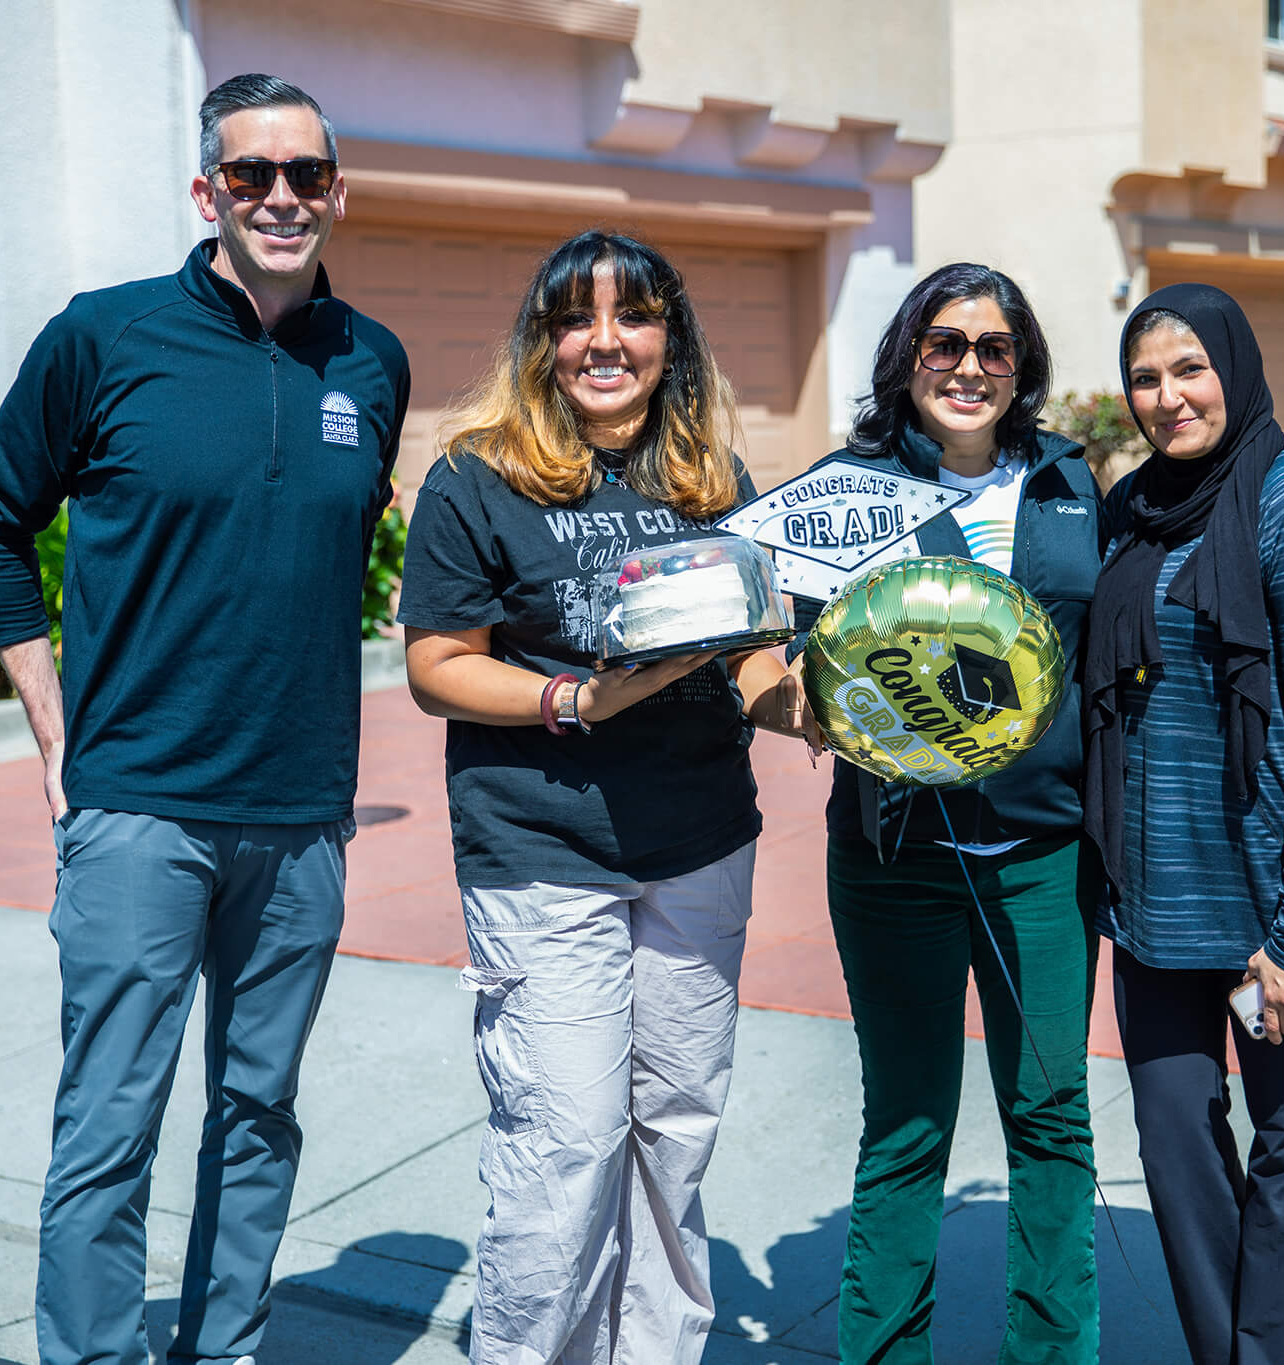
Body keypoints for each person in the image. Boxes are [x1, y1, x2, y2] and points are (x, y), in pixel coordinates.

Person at [0, 74, 409, 1365]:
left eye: (306, 175)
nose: (281, 197)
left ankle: (224, 1348)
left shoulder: (370, 359)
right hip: (138, 807)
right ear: (206, 190)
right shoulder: (103, 337)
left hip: (302, 813)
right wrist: (53, 728)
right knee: (110, 1123)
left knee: (260, 1112)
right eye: (252, 174)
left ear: (337, 190)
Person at [395, 229, 811, 1364]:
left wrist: (816, 710)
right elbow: (437, 665)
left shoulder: (714, 481)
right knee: (564, 1144)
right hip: (542, 852)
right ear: (542, 339)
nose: (603, 340)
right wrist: (577, 702)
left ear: (670, 337)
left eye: (632, 315)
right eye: (576, 317)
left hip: (698, 844)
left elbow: (752, 658)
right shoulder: (477, 472)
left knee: (673, 1136)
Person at [792, 263, 1104, 1363]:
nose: (967, 366)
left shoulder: (1072, 484)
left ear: (1021, 367)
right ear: (905, 355)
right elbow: (773, 645)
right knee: (908, 1126)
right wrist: (799, 700)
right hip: (895, 862)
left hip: (1042, 861)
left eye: (993, 348)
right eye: (943, 343)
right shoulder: (846, 487)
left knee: (1052, 1121)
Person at [1082, 283, 1284, 1364]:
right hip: (1150, 906)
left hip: (1264, 913)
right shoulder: (1131, 510)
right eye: (1145, 377)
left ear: (1234, 370)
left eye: (1188, 369)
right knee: (1176, 1155)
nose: (1166, 396)